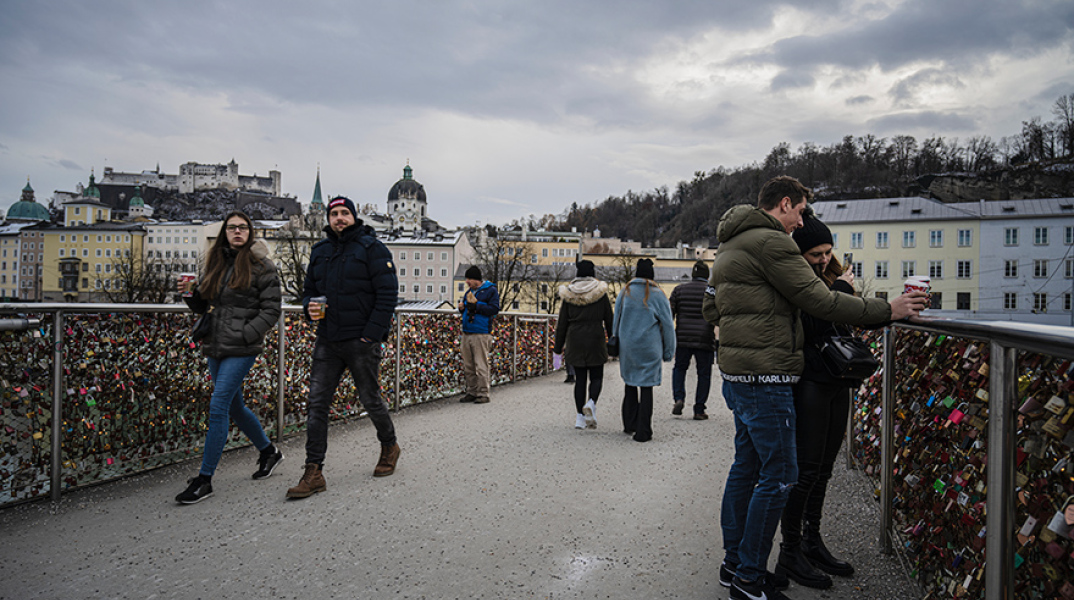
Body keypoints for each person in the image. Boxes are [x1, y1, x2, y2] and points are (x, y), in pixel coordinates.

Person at [704, 176, 927, 600]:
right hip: (767, 376)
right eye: (802, 211)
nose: (802, 220)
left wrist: (765, 306)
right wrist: (888, 309)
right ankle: (749, 579)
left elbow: (710, 306)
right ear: (785, 204)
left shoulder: (731, 245)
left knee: (746, 470)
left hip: (737, 374)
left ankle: (734, 565)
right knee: (781, 475)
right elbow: (821, 301)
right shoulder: (772, 243)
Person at [287, 196, 400, 499]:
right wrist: (308, 306)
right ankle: (313, 471)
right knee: (316, 404)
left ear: (353, 216)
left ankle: (389, 446)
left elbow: (388, 294)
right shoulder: (320, 250)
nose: (339, 218)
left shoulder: (371, 248)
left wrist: (371, 336)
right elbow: (309, 291)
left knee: (370, 398)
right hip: (328, 338)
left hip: (360, 340)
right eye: (334, 213)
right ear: (329, 218)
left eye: (344, 213)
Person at [776, 214, 866, 588]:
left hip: (835, 380)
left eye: (828, 252)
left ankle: (813, 541)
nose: (824, 259)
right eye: (816, 253)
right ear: (801, 254)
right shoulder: (795, 279)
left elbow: (842, 321)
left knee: (825, 468)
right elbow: (812, 324)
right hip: (810, 382)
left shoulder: (832, 276)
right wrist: (843, 293)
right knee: (806, 471)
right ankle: (790, 552)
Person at [175, 211, 283, 504]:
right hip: (215, 344)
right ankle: (268, 451)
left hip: (242, 347)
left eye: (243, 228)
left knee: (218, 405)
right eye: (232, 228)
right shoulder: (216, 263)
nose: (237, 232)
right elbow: (204, 306)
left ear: (250, 232)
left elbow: (271, 310)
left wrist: (249, 334)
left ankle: (204, 479)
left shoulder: (263, 266)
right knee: (235, 407)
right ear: (225, 232)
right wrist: (190, 296)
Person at [612, 258, 675, 442]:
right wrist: (668, 351)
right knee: (646, 388)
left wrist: (615, 339)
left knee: (630, 383)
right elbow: (668, 326)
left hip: (628, 347)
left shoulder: (625, 292)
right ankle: (643, 431)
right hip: (649, 348)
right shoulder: (657, 294)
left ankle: (629, 423)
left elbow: (617, 318)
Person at [553, 260, 613, 429]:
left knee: (580, 380)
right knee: (596, 376)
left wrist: (557, 349)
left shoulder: (568, 294)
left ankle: (579, 417)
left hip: (575, 339)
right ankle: (592, 403)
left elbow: (562, 324)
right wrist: (614, 339)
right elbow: (609, 319)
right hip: (596, 338)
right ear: (593, 272)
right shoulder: (600, 293)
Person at [669, 260, 717, 420]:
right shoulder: (712, 292)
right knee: (703, 374)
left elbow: (670, 315)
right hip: (705, 338)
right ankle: (699, 409)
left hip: (682, 337)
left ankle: (679, 398)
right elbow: (718, 315)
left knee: (680, 368)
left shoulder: (679, 290)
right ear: (707, 275)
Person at [458, 266, 500, 404]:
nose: (467, 282)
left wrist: (477, 306)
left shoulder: (490, 291)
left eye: (469, 279)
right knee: (468, 365)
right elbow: (466, 310)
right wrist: (462, 309)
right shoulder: (469, 292)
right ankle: (472, 391)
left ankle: (483, 393)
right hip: (467, 332)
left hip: (481, 333)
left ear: (476, 279)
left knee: (480, 364)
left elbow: (494, 309)